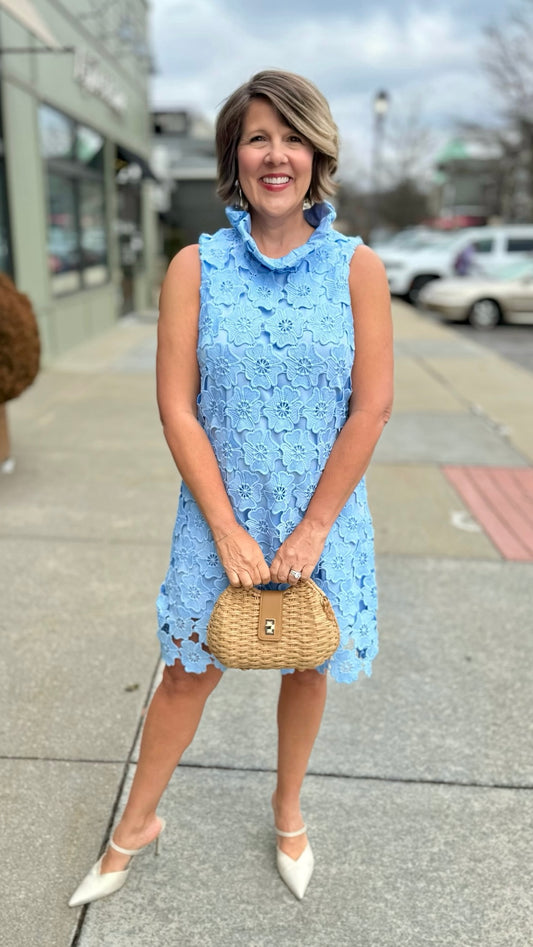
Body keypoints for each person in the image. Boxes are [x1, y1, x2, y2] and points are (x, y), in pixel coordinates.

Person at [69, 69, 393, 907]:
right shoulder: (195, 265)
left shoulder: (358, 269)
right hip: (217, 514)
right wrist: (225, 527)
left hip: (323, 514)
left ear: (316, 153)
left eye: (291, 137)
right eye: (257, 137)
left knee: (307, 660)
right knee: (185, 671)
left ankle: (288, 810)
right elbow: (175, 405)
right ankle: (134, 823)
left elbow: (373, 405)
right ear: (234, 156)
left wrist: (316, 526)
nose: (274, 154)